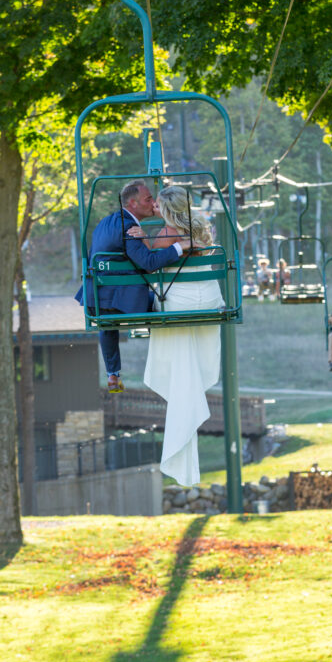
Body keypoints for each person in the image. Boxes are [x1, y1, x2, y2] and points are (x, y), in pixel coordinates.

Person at [131, 185, 224, 486]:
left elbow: (150, 265)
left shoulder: (165, 236)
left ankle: (180, 431)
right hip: (209, 298)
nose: (154, 208)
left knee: (153, 296)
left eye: (158, 205)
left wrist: (143, 239)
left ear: (168, 209)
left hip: (181, 302)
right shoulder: (203, 229)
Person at [75, 179, 187, 394]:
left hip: (97, 301)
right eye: (148, 199)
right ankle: (172, 363)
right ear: (133, 204)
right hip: (124, 303)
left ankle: (113, 373)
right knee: (165, 304)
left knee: (106, 322)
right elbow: (149, 264)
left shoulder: (106, 223)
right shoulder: (129, 228)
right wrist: (179, 247)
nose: (153, 201)